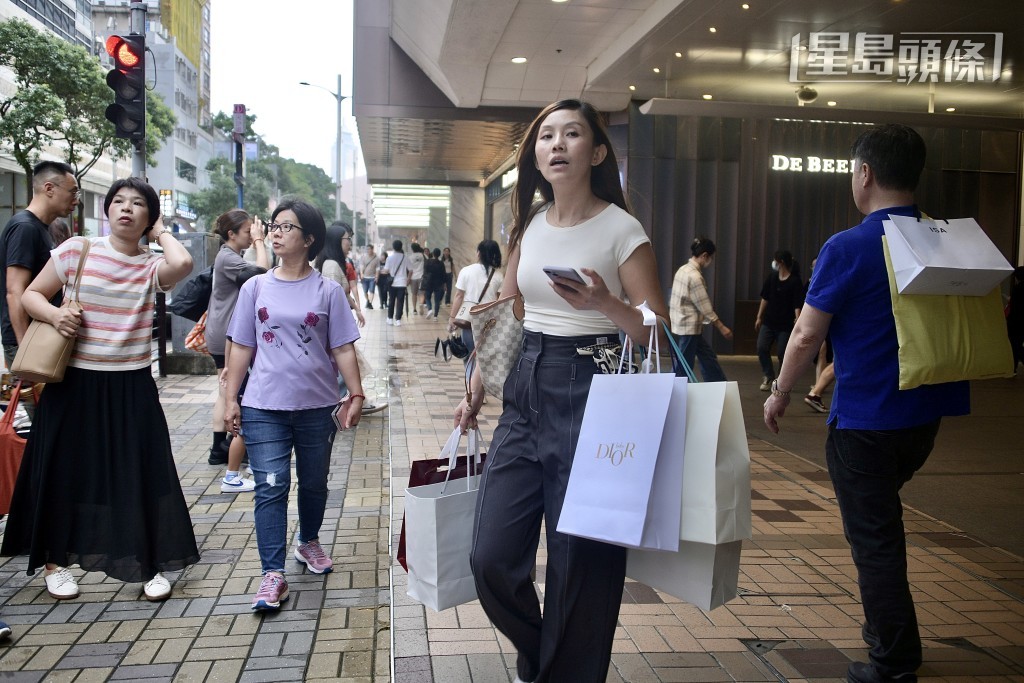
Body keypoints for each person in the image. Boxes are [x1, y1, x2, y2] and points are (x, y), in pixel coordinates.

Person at [454, 99, 668, 683]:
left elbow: (659, 334)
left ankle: (559, 671)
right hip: (526, 387)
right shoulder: (528, 228)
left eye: (571, 134)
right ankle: (553, 655)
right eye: (546, 135)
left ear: (596, 152)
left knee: (583, 563)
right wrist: (476, 387)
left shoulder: (623, 230)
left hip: (597, 392)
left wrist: (605, 303)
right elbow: (515, 315)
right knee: (490, 557)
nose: (556, 144)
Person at [764, 124, 970, 683]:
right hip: (924, 418)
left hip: (864, 422)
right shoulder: (941, 238)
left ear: (865, 174)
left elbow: (806, 335)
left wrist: (780, 393)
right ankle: (894, 641)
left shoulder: (849, 246)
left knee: (876, 541)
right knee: (882, 527)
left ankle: (894, 661)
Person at [1, 177, 200, 602]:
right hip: (73, 382)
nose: (125, 209)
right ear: (106, 210)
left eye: (137, 204)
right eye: (118, 202)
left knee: (142, 471)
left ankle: (150, 563)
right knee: (63, 470)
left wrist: (161, 231)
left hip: (131, 383)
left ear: (148, 217)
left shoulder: (150, 264)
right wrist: (55, 318)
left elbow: (182, 264)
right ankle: (55, 565)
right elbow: (32, 295)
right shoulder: (77, 250)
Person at [222, 199, 365, 612]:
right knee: (271, 485)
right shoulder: (255, 287)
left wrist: (355, 394)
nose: (276, 232)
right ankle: (272, 573)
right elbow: (242, 347)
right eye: (275, 225)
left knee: (316, 482)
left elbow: (341, 348)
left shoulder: (328, 290)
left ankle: (308, 542)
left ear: (309, 239)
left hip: (318, 406)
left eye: (287, 226)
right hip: (264, 406)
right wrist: (231, 398)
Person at [205, 209, 269, 491]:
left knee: (226, 390)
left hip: (224, 332)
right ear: (232, 234)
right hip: (227, 334)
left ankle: (221, 447)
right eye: (247, 232)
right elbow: (264, 274)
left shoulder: (229, 256)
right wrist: (260, 243)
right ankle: (230, 453)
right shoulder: (229, 257)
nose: (251, 235)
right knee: (231, 392)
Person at [1, 161, 79, 372]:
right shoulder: (25, 228)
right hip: (28, 338)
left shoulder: (42, 228)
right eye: (72, 192)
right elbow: (15, 291)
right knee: (39, 404)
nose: (76, 200)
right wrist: (26, 347)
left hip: (40, 334)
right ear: (49, 189)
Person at [669, 236, 732, 381]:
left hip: (683, 323)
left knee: (707, 356)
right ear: (704, 255)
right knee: (683, 365)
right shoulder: (695, 277)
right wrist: (722, 327)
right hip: (689, 326)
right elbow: (705, 306)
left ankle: (718, 383)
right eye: (710, 257)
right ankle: (671, 389)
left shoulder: (682, 270)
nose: (710, 261)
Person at [755, 249, 803, 390]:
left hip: (785, 325)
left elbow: (797, 304)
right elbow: (765, 298)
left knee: (783, 352)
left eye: (776, 260)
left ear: (780, 262)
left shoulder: (795, 281)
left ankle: (781, 380)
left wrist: (798, 322)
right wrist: (759, 316)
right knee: (761, 347)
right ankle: (768, 375)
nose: (774, 263)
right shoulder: (772, 278)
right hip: (769, 321)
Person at [447, 240, 503, 356]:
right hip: (489, 322)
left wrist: (452, 319)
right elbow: (499, 300)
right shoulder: (498, 275)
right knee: (485, 357)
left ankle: (470, 374)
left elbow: (459, 296)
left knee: (468, 355)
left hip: (469, 319)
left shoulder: (466, 271)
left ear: (478, 253)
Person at [384, 240, 411, 326]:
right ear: (401, 247)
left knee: (391, 300)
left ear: (393, 247)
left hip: (392, 283)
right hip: (402, 283)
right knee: (400, 301)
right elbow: (411, 270)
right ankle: (398, 319)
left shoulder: (389, 258)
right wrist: (408, 279)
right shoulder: (405, 257)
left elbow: (386, 270)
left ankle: (390, 318)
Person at [421, 248, 446, 319]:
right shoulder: (441, 263)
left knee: (427, 297)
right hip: (438, 283)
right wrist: (444, 284)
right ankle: (435, 316)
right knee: (437, 300)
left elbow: (425, 272)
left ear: (433, 253)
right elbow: (443, 274)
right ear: (439, 254)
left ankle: (430, 309)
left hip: (429, 282)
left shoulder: (428, 261)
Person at [1008, 266, 1024, 374]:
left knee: (1014, 345)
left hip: (1016, 321)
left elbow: (1014, 307)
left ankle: (1013, 368)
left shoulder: (1017, 288)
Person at [360, 244, 380, 309]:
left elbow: (377, 269)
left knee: (372, 291)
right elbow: (361, 266)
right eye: (367, 249)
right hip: (364, 277)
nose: (368, 250)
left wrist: (376, 277)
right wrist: (361, 274)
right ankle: (368, 301)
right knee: (365, 292)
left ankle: (370, 303)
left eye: (369, 249)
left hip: (372, 277)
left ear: (372, 249)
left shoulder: (376, 258)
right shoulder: (363, 257)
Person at [408, 242, 425, 314]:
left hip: (413, 277)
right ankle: (421, 304)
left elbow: (409, 269)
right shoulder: (422, 255)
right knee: (421, 293)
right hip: (421, 276)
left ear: (412, 249)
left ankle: (414, 309)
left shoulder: (410, 257)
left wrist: (408, 278)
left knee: (414, 294)